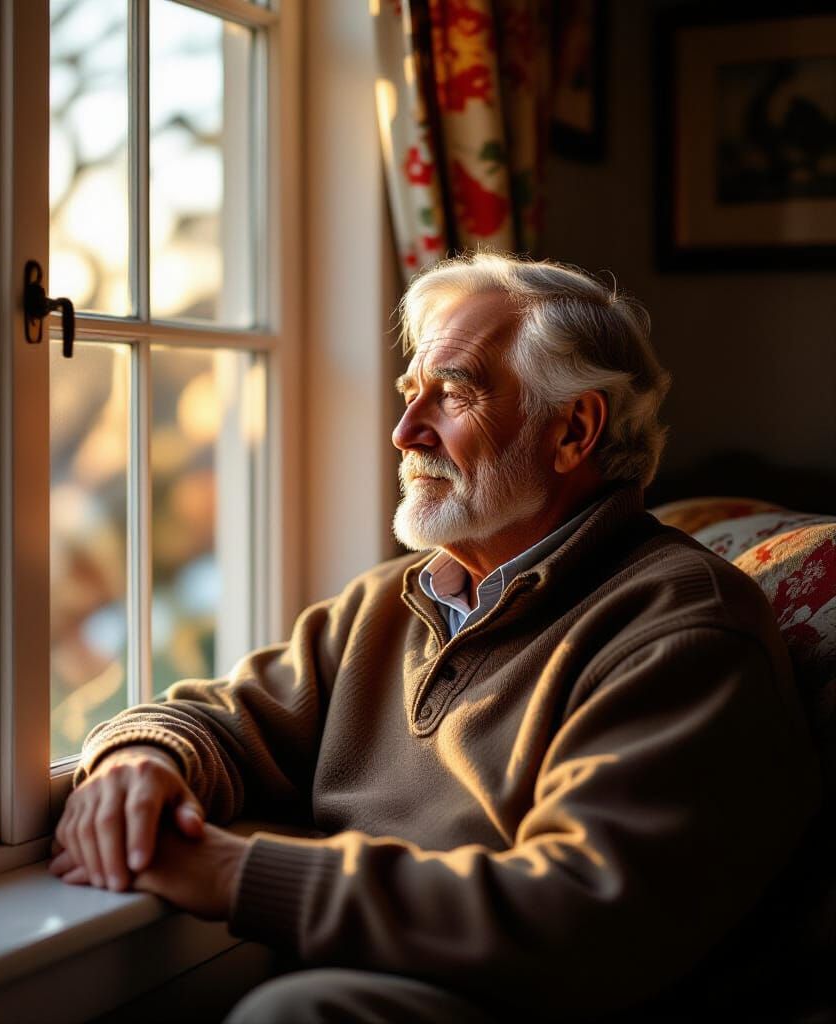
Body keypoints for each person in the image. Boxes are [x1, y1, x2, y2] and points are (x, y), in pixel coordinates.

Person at [50, 253, 820, 1022]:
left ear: (573, 430)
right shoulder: (392, 600)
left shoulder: (685, 630)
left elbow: (576, 916)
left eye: (451, 395)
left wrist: (232, 874)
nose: (404, 432)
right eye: (409, 393)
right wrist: (140, 763)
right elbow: (222, 718)